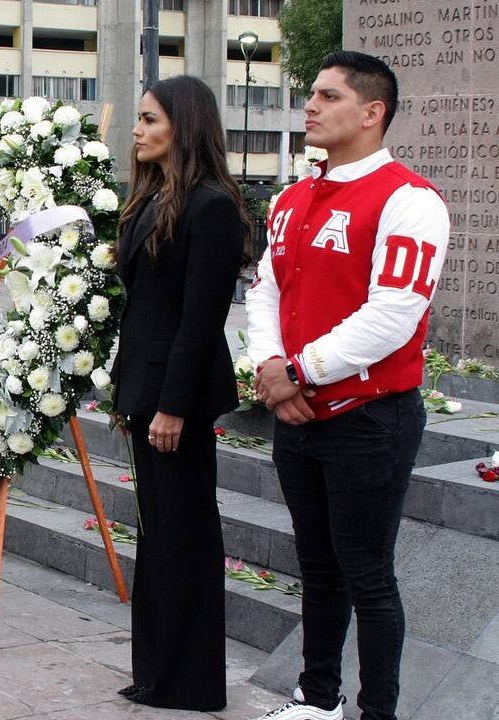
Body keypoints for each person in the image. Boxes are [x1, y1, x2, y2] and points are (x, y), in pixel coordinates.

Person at [245, 51, 449, 720]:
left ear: (371, 112)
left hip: (370, 418)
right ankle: (318, 696)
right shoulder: (293, 197)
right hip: (298, 415)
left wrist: (299, 371)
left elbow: (393, 313)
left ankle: (378, 711)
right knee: (318, 565)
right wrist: (274, 373)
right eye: (311, 94)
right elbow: (266, 292)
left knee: (368, 574)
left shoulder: (409, 200)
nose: (311, 106)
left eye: (328, 96)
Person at [107, 75, 250, 712]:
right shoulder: (149, 202)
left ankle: (190, 682)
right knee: (156, 532)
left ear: (182, 127)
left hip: (179, 398)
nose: (137, 130)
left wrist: (170, 403)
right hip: (145, 388)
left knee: (185, 532)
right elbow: (141, 309)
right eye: (138, 119)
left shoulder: (210, 206)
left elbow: (200, 318)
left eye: (149, 119)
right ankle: (155, 671)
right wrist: (128, 392)